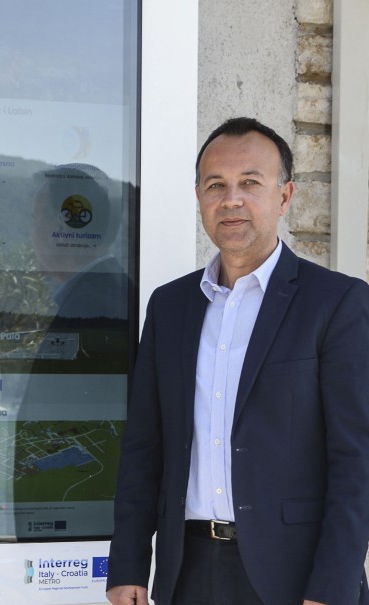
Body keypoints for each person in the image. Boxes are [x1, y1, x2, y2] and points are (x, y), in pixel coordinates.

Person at [106, 117, 369, 605]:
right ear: (199, 198)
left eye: (250, 183)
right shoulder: (170, 306)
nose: (231, 200)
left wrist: (331, 588)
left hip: (295, 577)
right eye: (216, 185)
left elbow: (356, 460)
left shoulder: (336, 302)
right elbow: (144, 446)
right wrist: (127, 566)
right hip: (187, 571)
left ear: (284, 197)